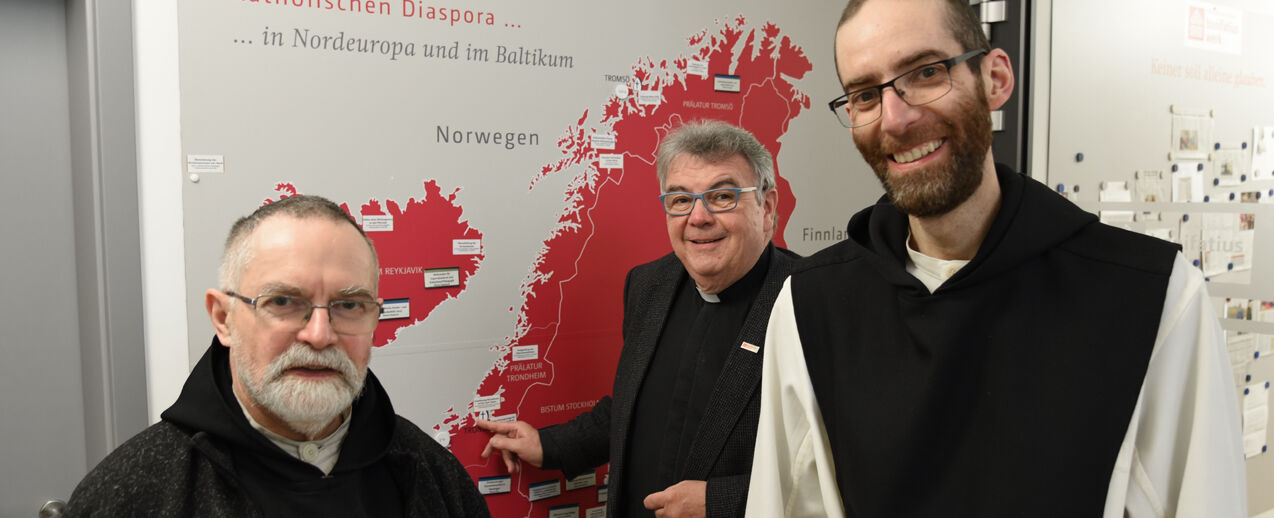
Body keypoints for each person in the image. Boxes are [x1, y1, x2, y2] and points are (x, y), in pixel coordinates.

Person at [744, 1, 1247, 517]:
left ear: (995, 79)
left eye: (925, 72)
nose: (895, 117)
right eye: (865, 95)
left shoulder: (1152, 298)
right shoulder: (811, 305)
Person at [66, 195, 490, 517]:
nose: (320, 335)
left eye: (349, 305)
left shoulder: (433, 476)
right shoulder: (133, 493)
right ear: (223, 318)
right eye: (284, 301)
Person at [476, 120, 798, 517]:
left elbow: (838, 467)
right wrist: (549, 445)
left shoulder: (810, 301)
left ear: (766, 207)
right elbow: (635, 406)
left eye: (722, 196)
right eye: (680, 200)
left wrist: (723, 503)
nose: (698, 218)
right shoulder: (648, 285)